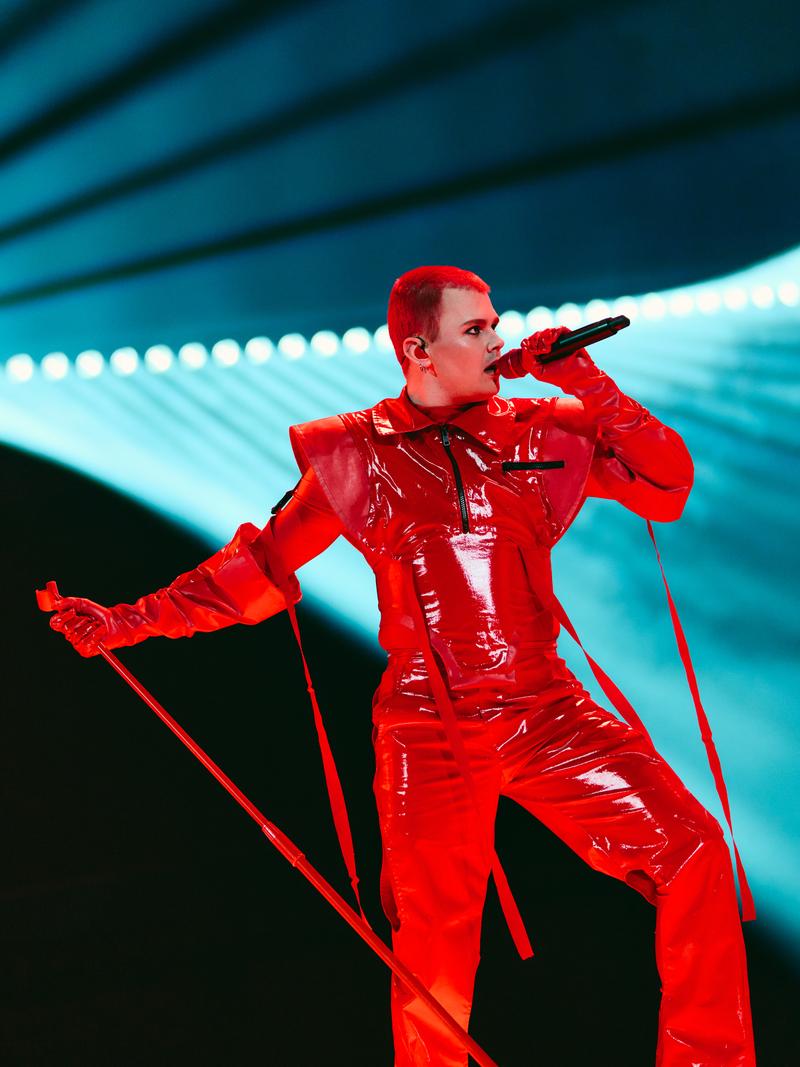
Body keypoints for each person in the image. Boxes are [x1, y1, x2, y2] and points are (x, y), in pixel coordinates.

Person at [46, 265, 755, 1066]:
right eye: (475, 330)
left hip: (546, 709)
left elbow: (665, 483)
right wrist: (124, 621)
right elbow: (255, 570)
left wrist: (585, 379)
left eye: (495, 323)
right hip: (430, 726)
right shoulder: (356, 454)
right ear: (418, 350)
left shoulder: (539, 430)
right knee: (433, 945)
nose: (497, 340)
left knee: (695, 849)